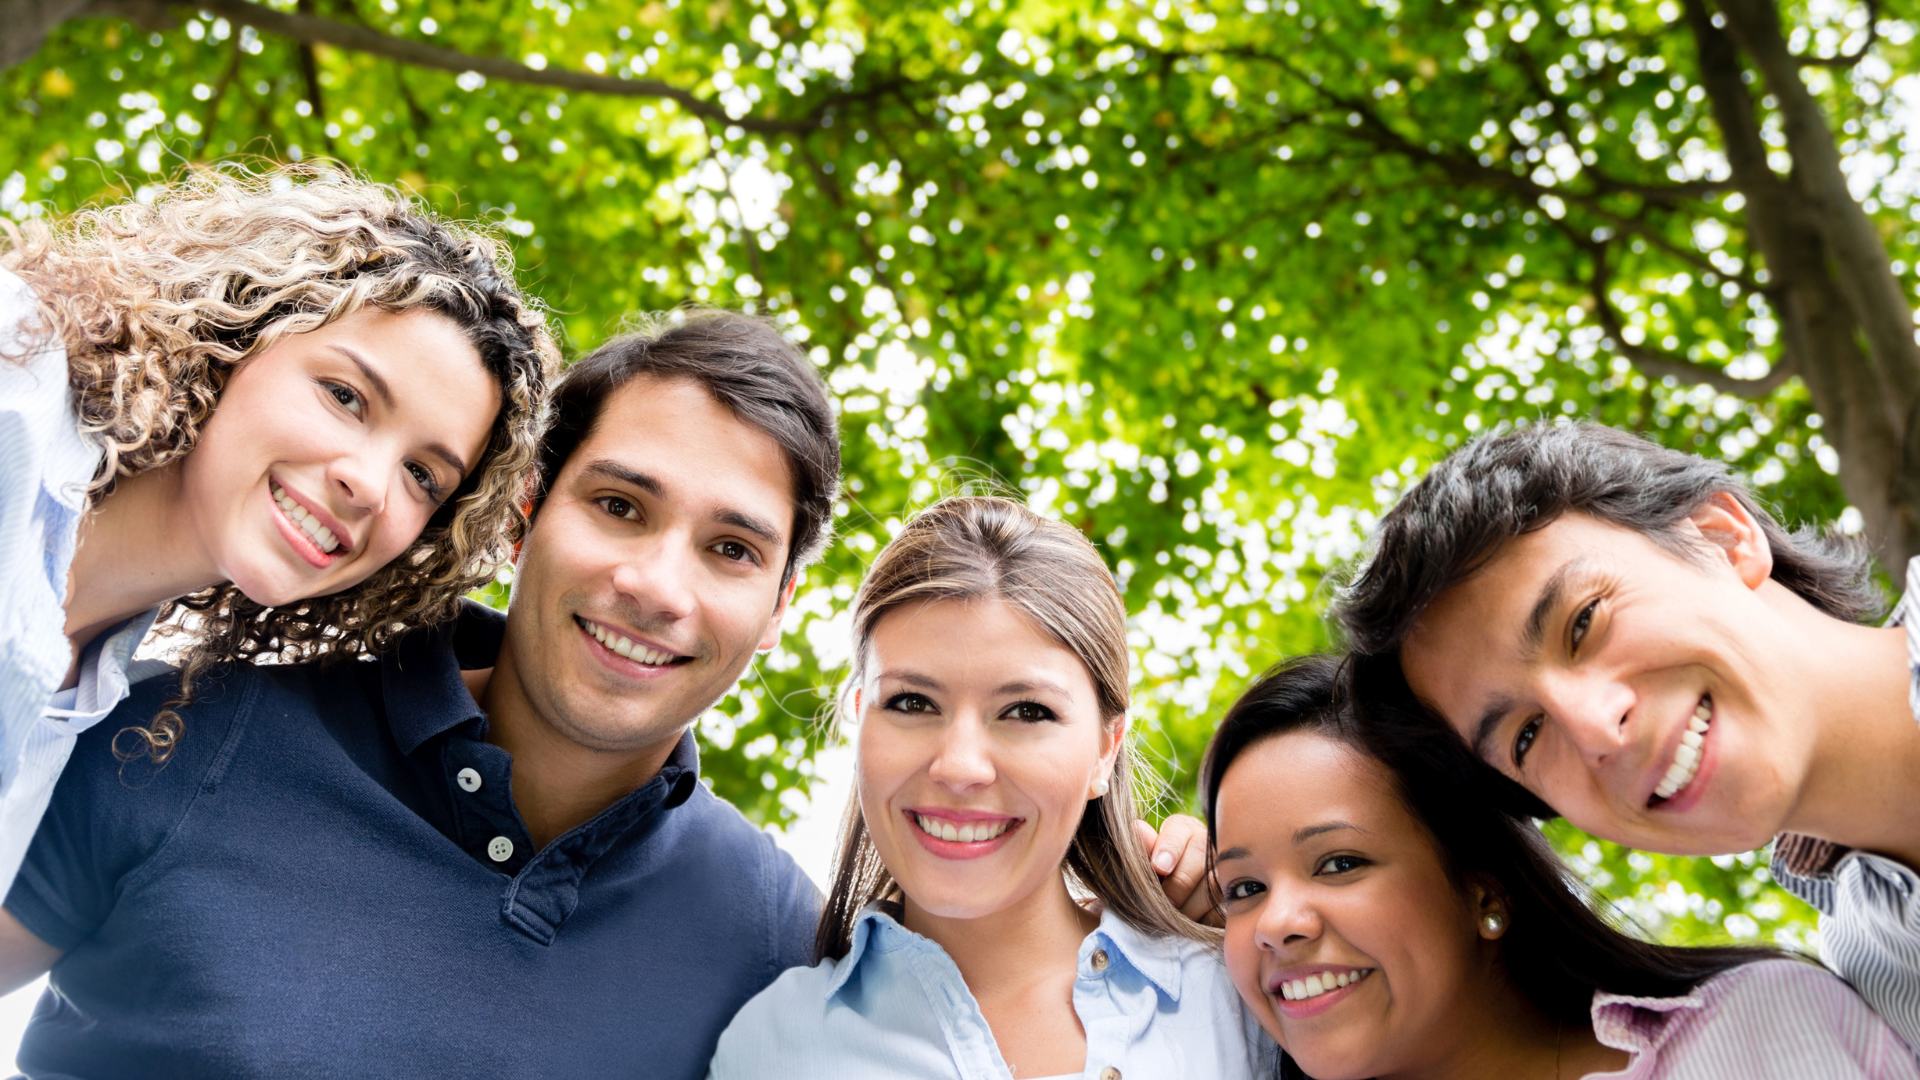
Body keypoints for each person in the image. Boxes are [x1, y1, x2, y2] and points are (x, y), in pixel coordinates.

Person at [0, 312, 838, 1079]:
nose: (658, 588)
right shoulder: (188, 730)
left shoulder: (778, 943)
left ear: (778, 608)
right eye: (619, 506)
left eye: (731, 549)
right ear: (523, 517)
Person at [0, 163, 555, 897]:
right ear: (236, 327)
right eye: (345, 396)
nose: (368, 484)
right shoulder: (16, 386)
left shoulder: (100, 709)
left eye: (423, 477)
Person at [1332, 421, 1920, 1049]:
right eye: (1527, 737)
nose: (1593, 729)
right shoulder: (1872, 990)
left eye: (1584, 622)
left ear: (1724, 539)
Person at [710, 496, 1269, 1080]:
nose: (960, 766)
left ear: (1106, 748)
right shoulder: (774, 1046)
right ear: (859, 720)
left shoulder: (1243, 995)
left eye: (1026, 712)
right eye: (911, 702)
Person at [1204, 655, 1919, 1079]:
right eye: (1243, 888)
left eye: (1338, 862)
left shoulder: (1756, 1030)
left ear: (1483, 887)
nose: (1277, 923)